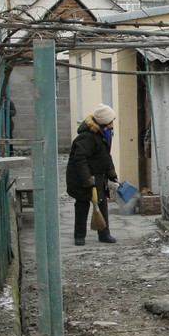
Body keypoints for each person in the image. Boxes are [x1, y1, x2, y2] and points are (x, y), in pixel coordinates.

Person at [66, 103, 119, 245]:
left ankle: (104, 234)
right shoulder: (87, 137)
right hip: (81, 177)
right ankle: (79, 235)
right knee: (82, 205)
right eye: (111, 121)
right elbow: (79, 159)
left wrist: (111, 173)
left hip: (98, 175)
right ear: (104, 122)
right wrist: (87, 179)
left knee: (101, 204)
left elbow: (105, 155)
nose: (112, 124)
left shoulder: (104, 134)